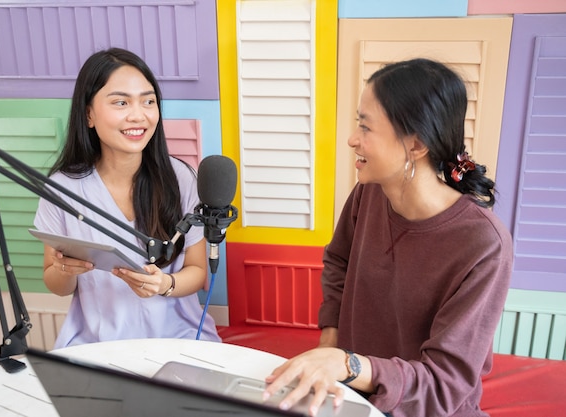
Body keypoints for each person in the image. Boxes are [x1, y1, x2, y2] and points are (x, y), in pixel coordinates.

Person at [262, 58, 513, 417]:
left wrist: (349, 365)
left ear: (416, 145)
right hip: (353, 398)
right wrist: (331, 340)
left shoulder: (484, 244)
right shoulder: (370, 193)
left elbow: (444, 385)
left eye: (365, 127)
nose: (352, 139)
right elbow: (338, 261)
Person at [33, 48, 220, 348]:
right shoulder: (61, 188)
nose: (138, 115)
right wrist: (64, 270)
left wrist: (165, 285)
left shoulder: (181, 177)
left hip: (178, 338)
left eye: (148, 101)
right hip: (96, 343)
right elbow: (56, 284)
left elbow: (197, 272)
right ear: (89, 114)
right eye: (121, 102)